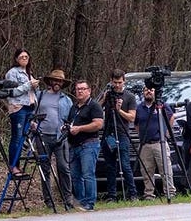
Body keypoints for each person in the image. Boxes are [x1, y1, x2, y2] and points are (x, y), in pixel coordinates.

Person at [35, 69, 76, 209]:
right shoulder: (40, 96)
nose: (57, 83)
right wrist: (32, 124)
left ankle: (68, 200)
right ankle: (49, 201)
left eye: (60, 81)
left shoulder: (67, 100)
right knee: (44, 169)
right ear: (50, 81)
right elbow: (30, 112)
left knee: (64, 168)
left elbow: (72, 119)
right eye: (55, 80)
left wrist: (67, 128)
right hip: (42, 137)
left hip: (60, 138)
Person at [100, 69, 137, 201]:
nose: (117, 85)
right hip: (108, 133)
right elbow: (97, 110)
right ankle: (112, 195)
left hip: (122, 133)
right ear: (111, 81)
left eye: (120, 82)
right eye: (115, 82)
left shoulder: (129, 97)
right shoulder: (108, 95)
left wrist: (119, 110)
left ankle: (132, 193)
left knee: (125, 165)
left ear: (124, 81)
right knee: (110, 166)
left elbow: (132, 117)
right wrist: (104, 99)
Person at [67, 80, 103, 211]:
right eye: (77, 89)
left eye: (83, 89)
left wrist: (80, 128)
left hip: (89, 144)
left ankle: (90, 203)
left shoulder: (94, 106)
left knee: (88, 174)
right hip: (74, 145)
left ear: (89, 91)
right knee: (75, 175)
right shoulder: (74, 107)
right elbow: (71, 123)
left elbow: (98, 124)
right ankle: (80, 202)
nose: (80, 91)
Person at [135, 86, 177, 200]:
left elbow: (171, 117)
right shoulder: (139, 108)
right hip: (145, 144)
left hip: (159, 142)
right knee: (147, 170)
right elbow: (136, 124)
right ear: (143, 93)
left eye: (151, 90)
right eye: (146, 90)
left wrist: (166, 134)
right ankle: (149, 193)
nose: (148, 92)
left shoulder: (162, 105)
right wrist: (142, 136)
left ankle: (170, 191)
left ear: (155, 92)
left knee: (165, 169)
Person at [4, 48, 39, 174]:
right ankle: (13, 166)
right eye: (21, 57)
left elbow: (32, 93)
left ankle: (19, 165)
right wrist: (29, 85)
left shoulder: (29, 73)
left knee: (25, 137)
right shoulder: (12, 73)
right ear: (16, 59)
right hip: (18, 108)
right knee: (17, 138)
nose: (24, 59)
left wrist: (34, 85)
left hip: (30, 108)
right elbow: (12, 92)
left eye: (26, 57)